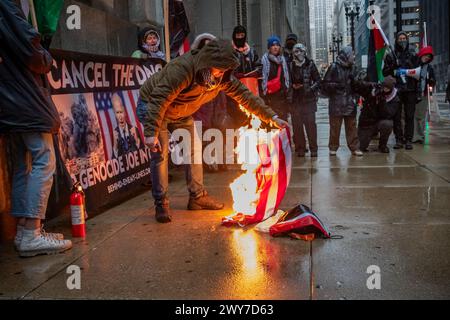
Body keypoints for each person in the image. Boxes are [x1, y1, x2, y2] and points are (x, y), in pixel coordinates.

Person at [139, 39, 288, 224]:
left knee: (194, 150)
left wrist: (271, 117)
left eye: (225, 70)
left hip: (181, 110)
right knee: (160, 154)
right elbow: (159, 98)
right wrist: (150, 132)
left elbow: (245, 96)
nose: (221, 74)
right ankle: (161, 203)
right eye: (218, 69)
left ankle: (197, 197)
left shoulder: (221, 78)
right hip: (154, 106)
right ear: (206, 64)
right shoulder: (182, 69)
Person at [0, 0, 72, 257]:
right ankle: (32, 232)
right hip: (23, 94)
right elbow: (31, 52)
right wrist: (47, 57)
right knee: (44, 158)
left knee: (25, 161)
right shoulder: (8, 5)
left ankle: (24, 231)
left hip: (12, 95)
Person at [322, 46, 364, 157]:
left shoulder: (353, 69)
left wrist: (355, 96)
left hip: (350, 103)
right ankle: (333, 147)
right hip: (336, 103)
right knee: (335, 128)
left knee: (351, 128)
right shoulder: (334, 67)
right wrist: (336, 85)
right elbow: (325, 84)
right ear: (346, 55)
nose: (353, 57)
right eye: (351, 54)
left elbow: (358, 86)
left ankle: (354, 148)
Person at [383, 31, 419, 150]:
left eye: (404, 38)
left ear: (407, 40)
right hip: (397, 90)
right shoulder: (392, 55)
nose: (402, 40)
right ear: (397, 40)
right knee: (396, 116)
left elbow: (418, 71)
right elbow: (385, 72)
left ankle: (408, 140)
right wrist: (393, 67)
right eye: (400, 38)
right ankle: (399, 139)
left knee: (409, 116)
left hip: (410, 89)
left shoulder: (413, 54)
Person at [288, 43, 321, 158]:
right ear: (293, 53)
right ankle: (301, 149)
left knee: (311, 126)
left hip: (308, 101)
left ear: (305, 52)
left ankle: (313, 149)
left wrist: (309, 89)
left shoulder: (310, 64)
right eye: (296, 51)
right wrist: (293, 86)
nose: (299, 54)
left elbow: (318, 81)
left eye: (301, 51)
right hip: (296, 101)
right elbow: (287, 81)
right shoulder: (290, 65)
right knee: (297, 127)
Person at [358, 76, 400, 153]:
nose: (385, 90)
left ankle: (382, 145)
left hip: (381, 121)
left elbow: (388, 114)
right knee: (361, 147)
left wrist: (382, 101)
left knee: (387, 124)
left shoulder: (394, 98)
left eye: (387, 88)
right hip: (368, 122)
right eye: (384, 87)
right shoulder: (374, 91)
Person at [261, 36, 291, 120]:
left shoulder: (283, 60)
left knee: (284, 125)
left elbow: (286, 79)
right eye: (273, 45)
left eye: (277, 45)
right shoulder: (264, 60)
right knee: (272, 126)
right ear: (269, 47)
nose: (275, 47)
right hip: (270, 98)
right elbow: (262, 80)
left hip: (282, 98)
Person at [412, 46, 436, 144]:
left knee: (420, 116)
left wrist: (431, 81)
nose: (427, 58)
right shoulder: (414, 64)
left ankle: (420, 136)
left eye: (429, 57)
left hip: (423, 94)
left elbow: (433, 81)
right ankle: (413, 136)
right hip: (413, 93)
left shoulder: (429, 68)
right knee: (412, 116)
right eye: (426, 55)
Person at [111, 93, 143, 159]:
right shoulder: (114, 135)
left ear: (125, 112)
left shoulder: (135, 129)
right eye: (117, 113)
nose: (120, 116)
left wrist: (137, 141)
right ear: (114, 114)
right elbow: (113, 161)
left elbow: (144, 153)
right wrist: (115, 146)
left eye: (121, 112)